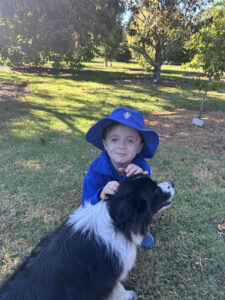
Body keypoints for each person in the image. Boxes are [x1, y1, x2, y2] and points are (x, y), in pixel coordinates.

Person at [82, 107, 159, 249]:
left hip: (129, 215)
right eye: (114, 139)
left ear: (139, 147)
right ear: (104, 143)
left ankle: (140, 230)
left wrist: (140, 182)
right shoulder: (96, 169)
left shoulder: (142, 167)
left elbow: (145, 202)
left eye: (130, 141)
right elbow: (86, 204)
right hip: (105, 214)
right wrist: (100, 194)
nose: (121, 146)